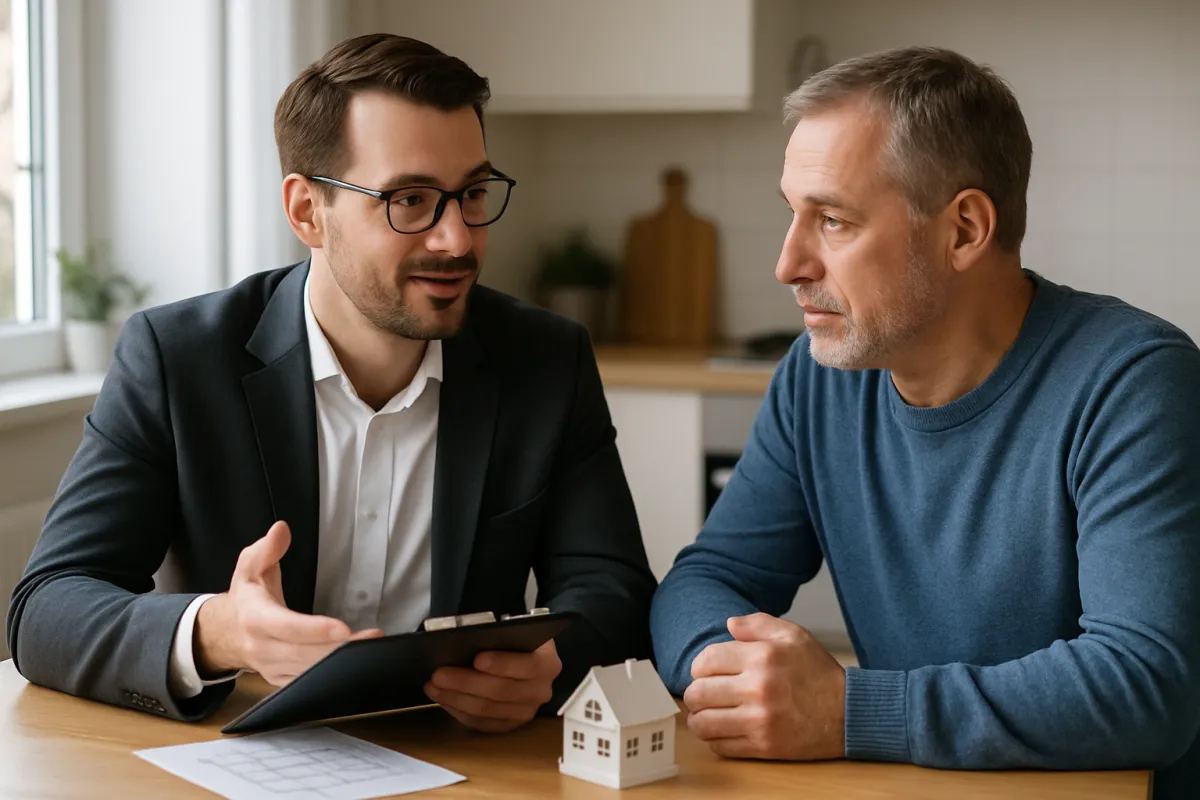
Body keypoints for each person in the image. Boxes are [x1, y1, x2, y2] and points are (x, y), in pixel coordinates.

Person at [7, 33, 657, 732]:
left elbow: (613, 590)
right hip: (245, 760)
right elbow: (46, 609)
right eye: (410, 199)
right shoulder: (179, 359)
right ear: (307, 211)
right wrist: (219, 632)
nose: (458, 239)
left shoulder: (546, 360)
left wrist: (549, 667)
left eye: (471, 193)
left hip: (469, 763)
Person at [649, 46, 1200, 798]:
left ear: (965, 229)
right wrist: (737, 680)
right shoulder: (815, 380)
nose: (787, 264)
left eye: (833, 221)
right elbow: (706, 580)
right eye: (792, 215)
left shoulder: (1134, 382)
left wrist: (848, 710)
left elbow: (1146, 688)